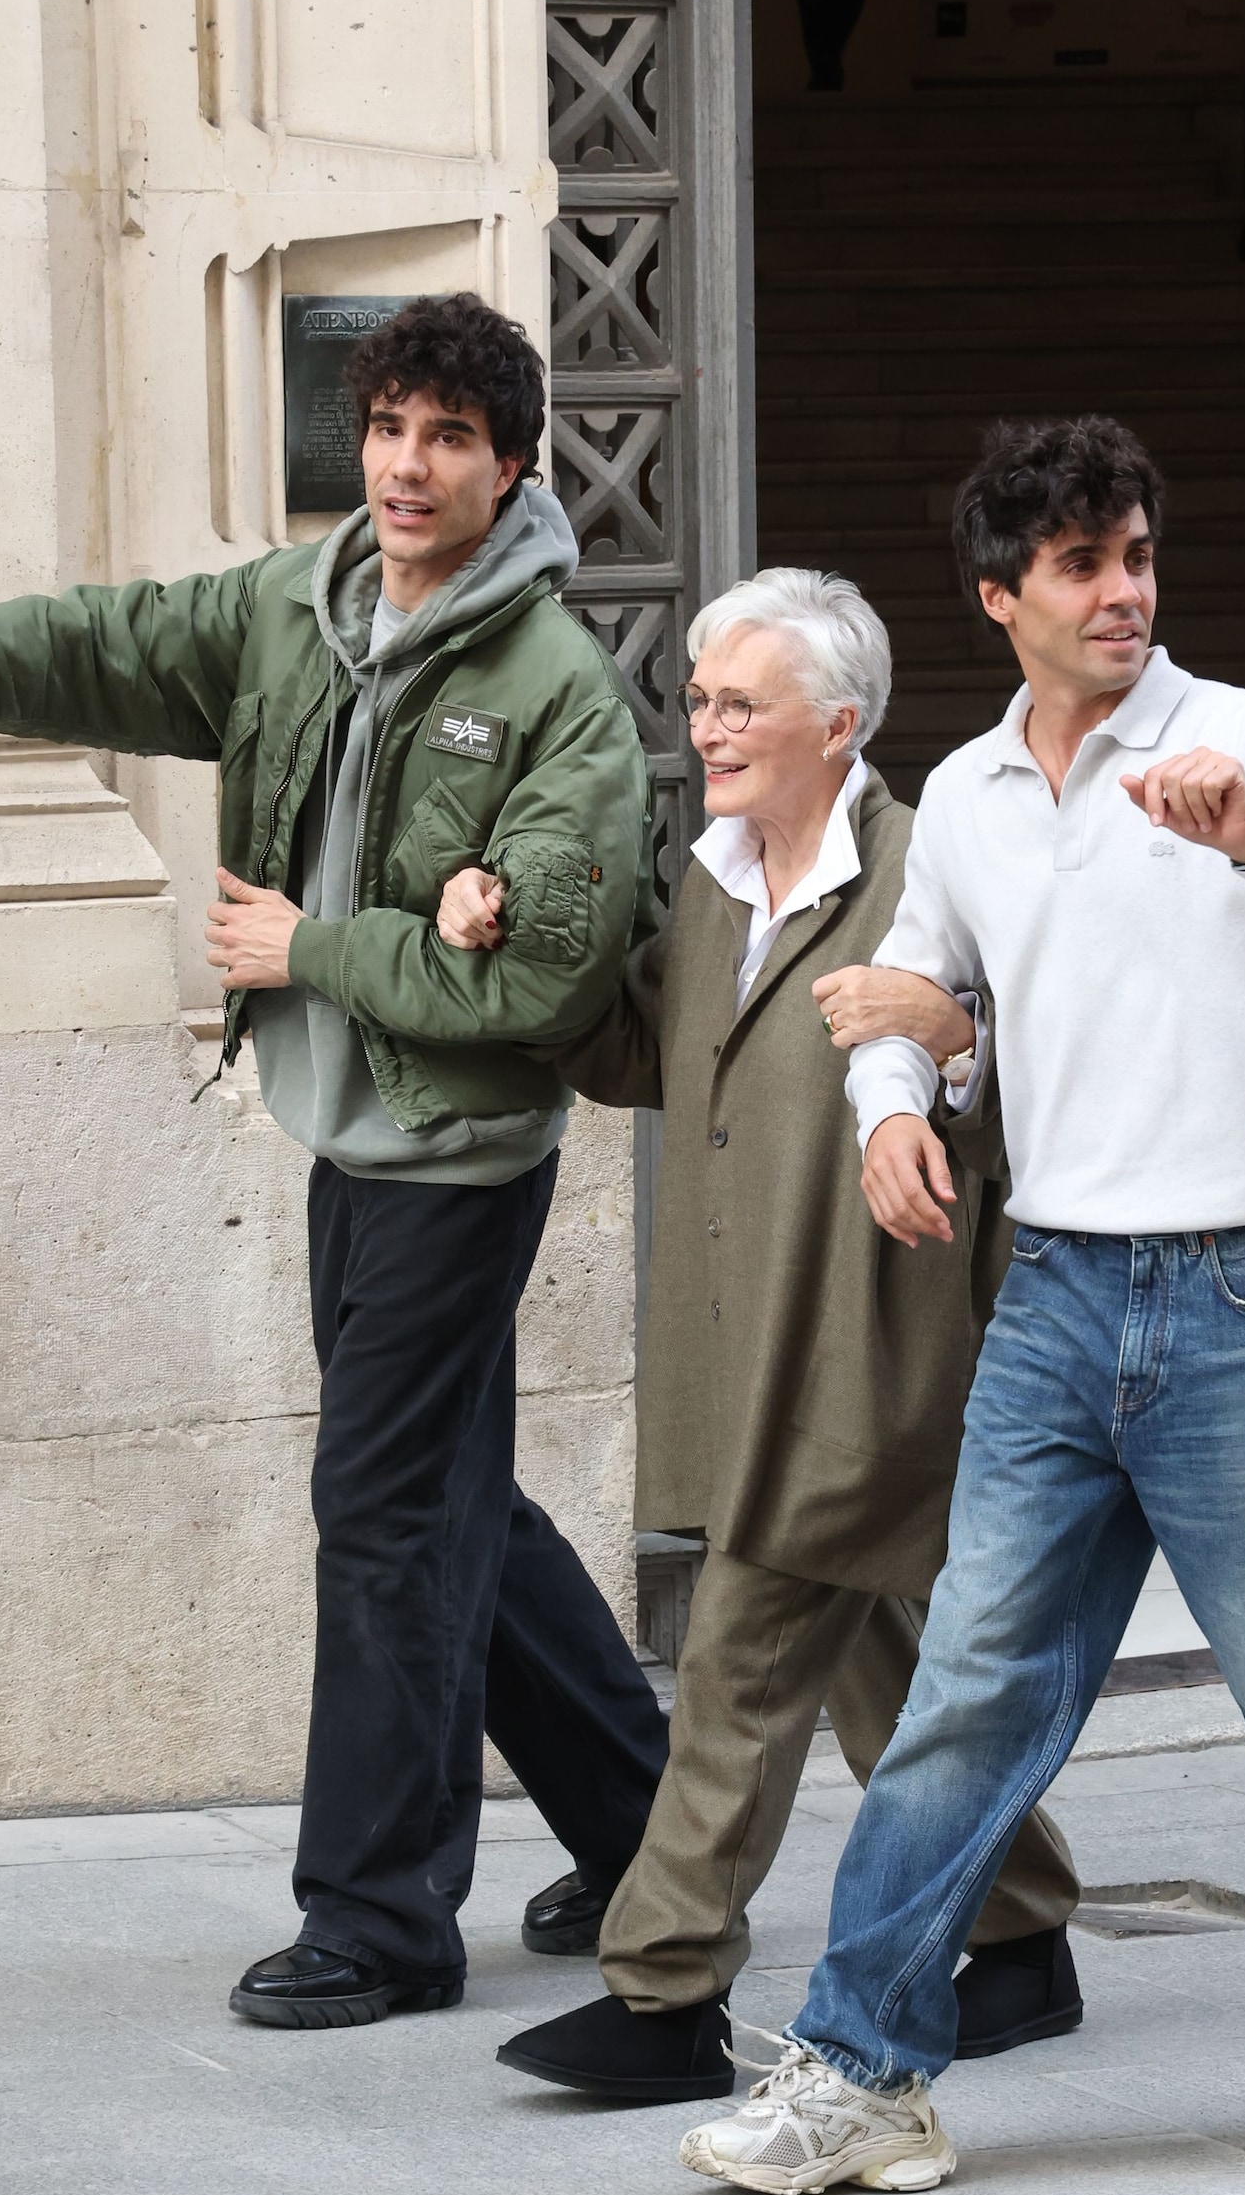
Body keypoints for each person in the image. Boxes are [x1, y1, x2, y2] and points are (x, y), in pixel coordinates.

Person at [0, 292, 668, 2024]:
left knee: (382, 1510)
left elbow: (545, 974)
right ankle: (649, 1828)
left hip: (459, 1154)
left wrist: (310, 947)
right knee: (448, 1498)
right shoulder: (298, 609)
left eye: (449, 439)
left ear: (513, 469)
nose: (407, 465)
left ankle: (382, 1919)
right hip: (347, 1131)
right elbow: (124, 639)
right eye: (389, 427)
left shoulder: (553, 686)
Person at [678, 415, 1245, 2195]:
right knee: (969, 1690)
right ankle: (864, 2071)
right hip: (1053, 1294)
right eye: (1081, 567)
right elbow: (912, 992)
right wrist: (895, 1114)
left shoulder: (1240, 737)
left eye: (1135, 557)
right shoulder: (960, 799)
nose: (1122, 593)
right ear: (1001, 599)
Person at [432, 570, 1085, 2105]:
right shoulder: (718, 877)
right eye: (702, 698)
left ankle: (665, 1994)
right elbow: (641, 1047)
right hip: (748, 1330)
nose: (703, 727)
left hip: (885, 1335)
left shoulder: (935, 864)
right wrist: (508, 936)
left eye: (739, 703)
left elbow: (1033, 1068)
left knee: (741, 1654)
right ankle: (1024, 1929)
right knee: (892, 1666)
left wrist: (952, 1056)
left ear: (838, 724)